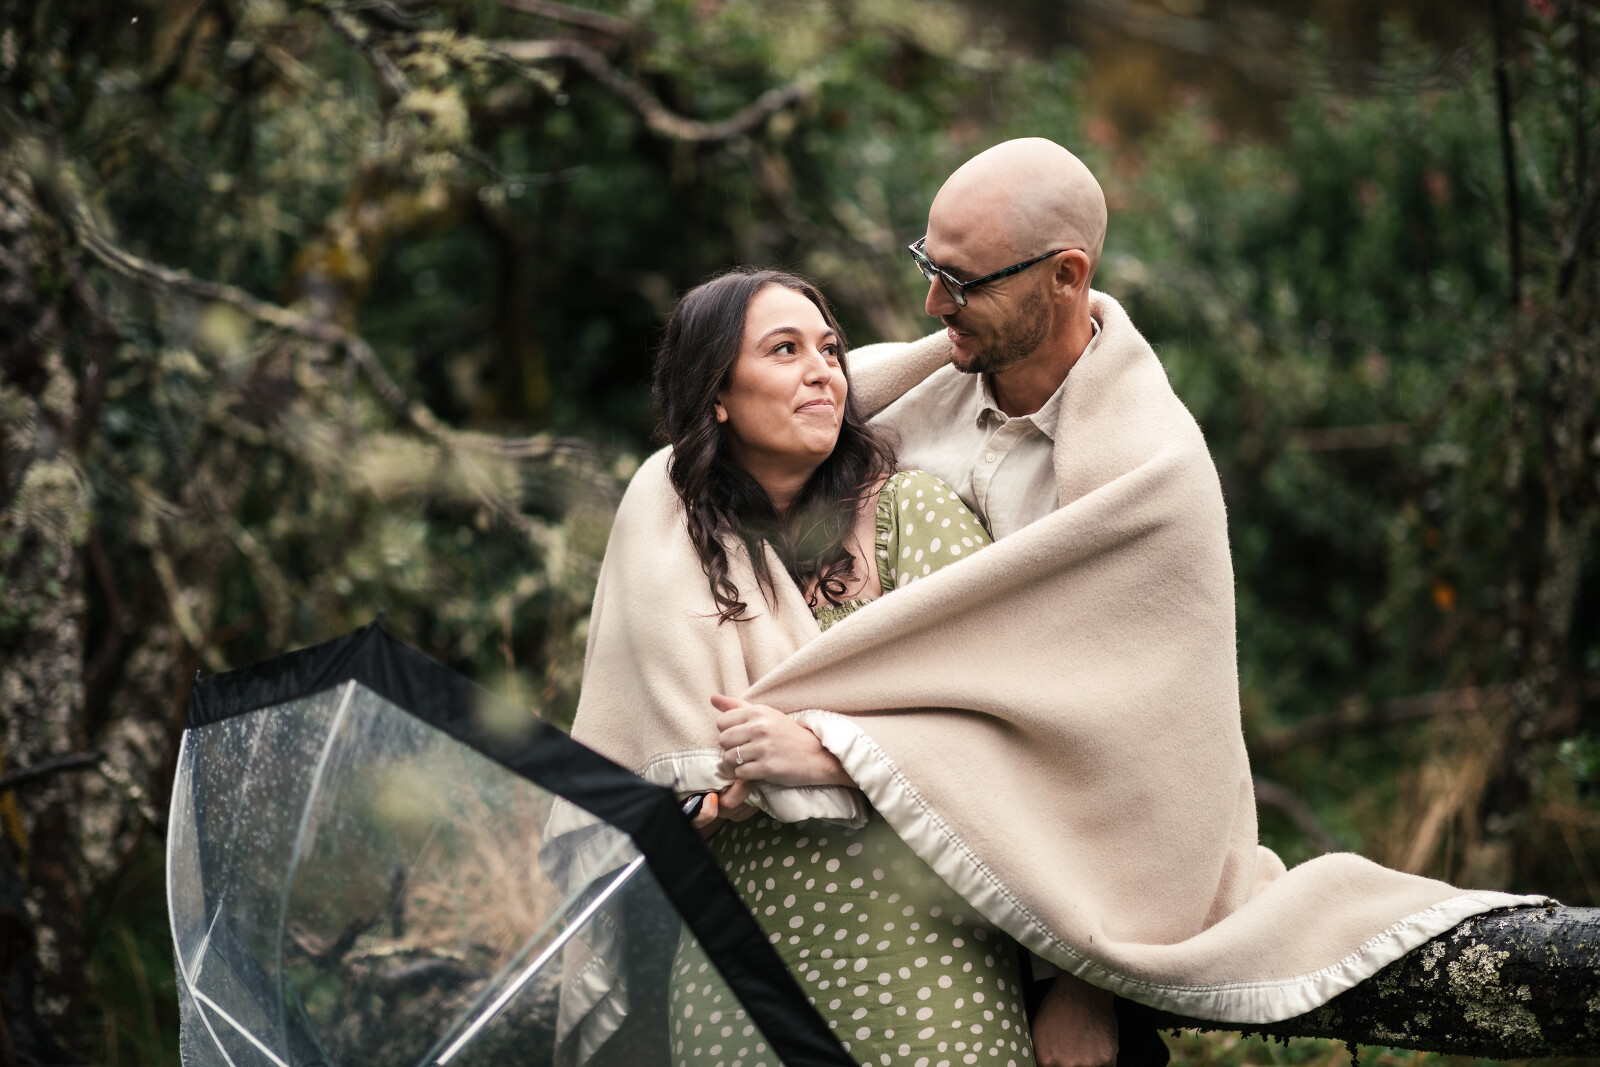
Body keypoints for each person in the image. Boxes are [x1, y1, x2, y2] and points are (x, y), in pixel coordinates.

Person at [648, 267, 1035, 1067]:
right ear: (717, 394)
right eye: (784, 350)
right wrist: (685, 802)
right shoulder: (674, 561)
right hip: (734, 980)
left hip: (921, 961)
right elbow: (640, 748)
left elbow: (1011, 727)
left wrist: (832, 758)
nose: (823, 370)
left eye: (829, 349)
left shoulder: (909, 515)